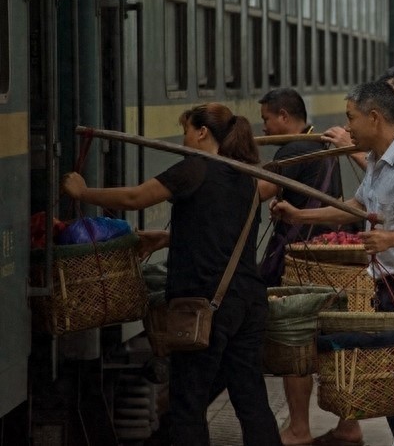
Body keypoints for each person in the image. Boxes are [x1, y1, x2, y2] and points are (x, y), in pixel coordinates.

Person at [61, 103, 280, 446]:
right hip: (248, 303)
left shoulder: (192, 170)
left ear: (202, 132)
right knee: (251, 400)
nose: (185, 139)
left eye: (186, 131)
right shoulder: (246, 174)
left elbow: (136, 197)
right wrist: (166, 238)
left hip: (204, 306)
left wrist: (82, 192)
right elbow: (219, 228)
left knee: (188, 404)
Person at [271, 81, 394, 446]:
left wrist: (391, 239)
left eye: (351, 118)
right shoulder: (375, 161)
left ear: (374, 118)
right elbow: (356, 209)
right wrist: (298, 212)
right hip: (391, 286)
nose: (348, 127)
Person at [256, 89, 346, 446]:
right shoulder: (320, 144)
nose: (264, 126)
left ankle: (298, 428)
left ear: (282, 115)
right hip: (331, 255)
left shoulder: (293, 149)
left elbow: (260, 190)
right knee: (332, 338)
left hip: (301, 261)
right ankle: (349, 426)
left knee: (296, 341)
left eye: (265, 119)